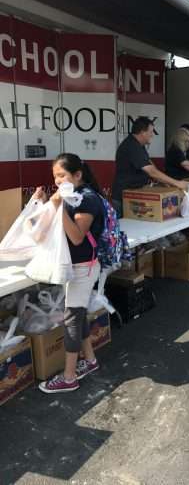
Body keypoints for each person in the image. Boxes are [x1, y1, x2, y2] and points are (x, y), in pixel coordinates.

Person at [36, 153, 105, 393]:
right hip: (76, 267)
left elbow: (76, 237)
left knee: (72, 318)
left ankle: (68, 377)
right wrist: (46, 203)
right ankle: (91, 360)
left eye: (62, 175)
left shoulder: (87, 199)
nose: (57, 181)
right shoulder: (72, 196)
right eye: (55, 176)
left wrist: (57, 207)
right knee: (77, 313)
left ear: (78, 175)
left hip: (83, 267)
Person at [112, 117, 189, 217]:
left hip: (133, 194)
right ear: (142, 132)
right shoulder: (131, 146)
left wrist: (164, 181)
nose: (152, 134)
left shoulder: (139, 144)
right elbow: (151, 171)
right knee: (130, 229)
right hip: (123, 198)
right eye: (151, 131)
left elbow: (149, 163)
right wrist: (177, 183)